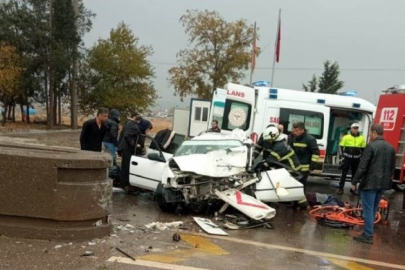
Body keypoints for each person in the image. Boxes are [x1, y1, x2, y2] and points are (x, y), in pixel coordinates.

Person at [351, 123, 395, 244]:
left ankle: (368, 235)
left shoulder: (371, 146)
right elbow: (392, 167)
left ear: (375, 132)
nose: (369, 135)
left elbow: (362, 166)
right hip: (382, 184)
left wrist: (354, 182)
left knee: (368, 210)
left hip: (370, 184)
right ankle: (367, 232)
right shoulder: (391, 148)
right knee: (373, 208)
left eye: (370, 133)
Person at [337, 123, 366, 195]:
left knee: (355, 175)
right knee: (344, 174)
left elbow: (363, 149)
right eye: (354, 128)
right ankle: (340, 189)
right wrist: (342, 156)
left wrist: (363, 157)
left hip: (356, 159)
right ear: (351, 129)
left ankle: (353, 189)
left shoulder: (361, 138)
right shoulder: (346, 137)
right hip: (347, 158)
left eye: (357, 128)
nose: (355, 130)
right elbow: (340, 146)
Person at [117, 113, 144, 192]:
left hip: (125, 149)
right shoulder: (134, 127)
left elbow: (123, 136)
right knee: (127, 167)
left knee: (125, 166)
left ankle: (124, 184)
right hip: (127, 149)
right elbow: (127, 136)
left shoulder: (129, 124)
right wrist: (135, 145)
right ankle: (126, 185)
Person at [290, 122, 320, 190]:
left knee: (301, 186)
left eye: (296, 131)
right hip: (295, 167)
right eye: (293, 130)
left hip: (304, 168)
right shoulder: (294, 138)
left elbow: (315, 153)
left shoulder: (310, 139)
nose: (294, 132)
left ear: (302, 130)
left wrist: (312, 166)